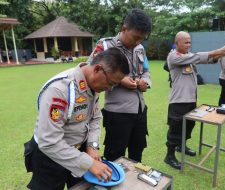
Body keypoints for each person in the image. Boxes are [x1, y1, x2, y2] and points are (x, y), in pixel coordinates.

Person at [24, 48, 129, 190]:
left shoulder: (93, 85)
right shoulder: (59, 90)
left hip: (79, 152)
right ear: (98, 69)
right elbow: (48, 141)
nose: (110, 89)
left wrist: (92, 146)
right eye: (111, 83)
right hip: (50, 157)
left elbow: (95, 118)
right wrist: (89, 163)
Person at [87, 9, 152, 162]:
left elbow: (146, 72)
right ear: (124, 29)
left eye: (141, 39)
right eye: (135, 37)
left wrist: (145, 83)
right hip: (118, 113)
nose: (138, 42)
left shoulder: (140, 49)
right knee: (115, 155)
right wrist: (120, 79)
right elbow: (91, 71)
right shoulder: (105, 45)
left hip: (140, 111)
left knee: (137, 152)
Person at [164, 31, 225, 170]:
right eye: (185, 42)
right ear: (177, 43)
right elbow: (199, 56)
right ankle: (169, 156)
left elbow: (205, 59)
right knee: (175, 129)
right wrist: (219, 50)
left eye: (190, 42)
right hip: (178, 101)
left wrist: (221, 54)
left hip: (190, 99)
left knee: (189, 125)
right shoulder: (173, 56)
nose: (189, 45)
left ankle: (181, 147)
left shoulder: (188, 56)